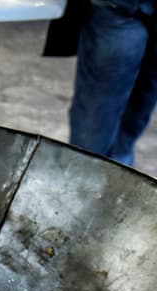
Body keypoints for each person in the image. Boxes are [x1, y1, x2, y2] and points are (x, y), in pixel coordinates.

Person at [66, 0, 157, 167]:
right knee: (95, 120)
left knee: (142, 101)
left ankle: (119, 171)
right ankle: (85, 179)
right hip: (118, 7)